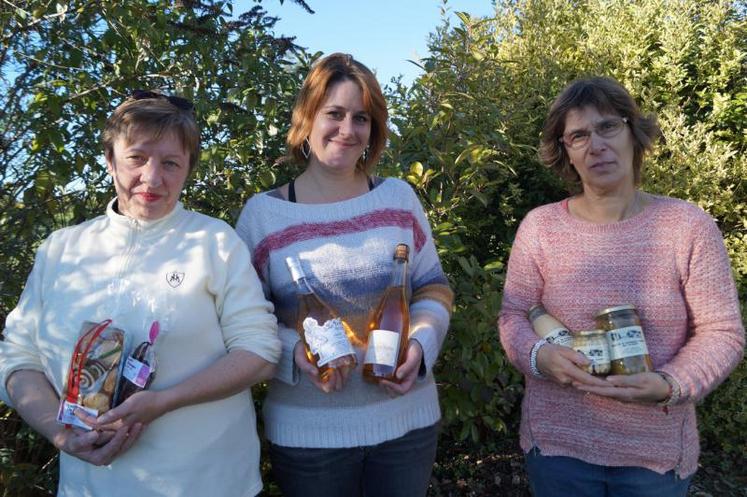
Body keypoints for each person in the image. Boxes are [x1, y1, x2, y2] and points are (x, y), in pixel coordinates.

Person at [0, 91, 281, 497]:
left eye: (170, 163)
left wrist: (164, 401)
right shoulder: (62, 249)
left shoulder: (214, 242)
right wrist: (60, 434)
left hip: (208, 483)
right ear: (111, 159)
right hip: (89, 487)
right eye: (136, 157)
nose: (152, 178)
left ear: (187, 170)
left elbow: (259, 352)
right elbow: (18, 358)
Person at [498, 76, 745, 497]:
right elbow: (514, 315)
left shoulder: (687, 227)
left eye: (607, 126)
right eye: (578, 136)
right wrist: (539, 356)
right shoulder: (541, 227)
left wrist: (671, 384)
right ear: (566, 153)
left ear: (633, 132)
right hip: (558, 449)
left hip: (654, 459)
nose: (595, 145)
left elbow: (722, 333)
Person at [235, 53, 453, 497]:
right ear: (307, 119)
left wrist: (421, 345)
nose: (348, 130)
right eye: (334, 114)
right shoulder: (263, 217)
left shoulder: (398, 199)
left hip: (406, 427)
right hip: (309, 439)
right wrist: (296, 353)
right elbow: (243, 323)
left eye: (362, 118)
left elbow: (433, 286)